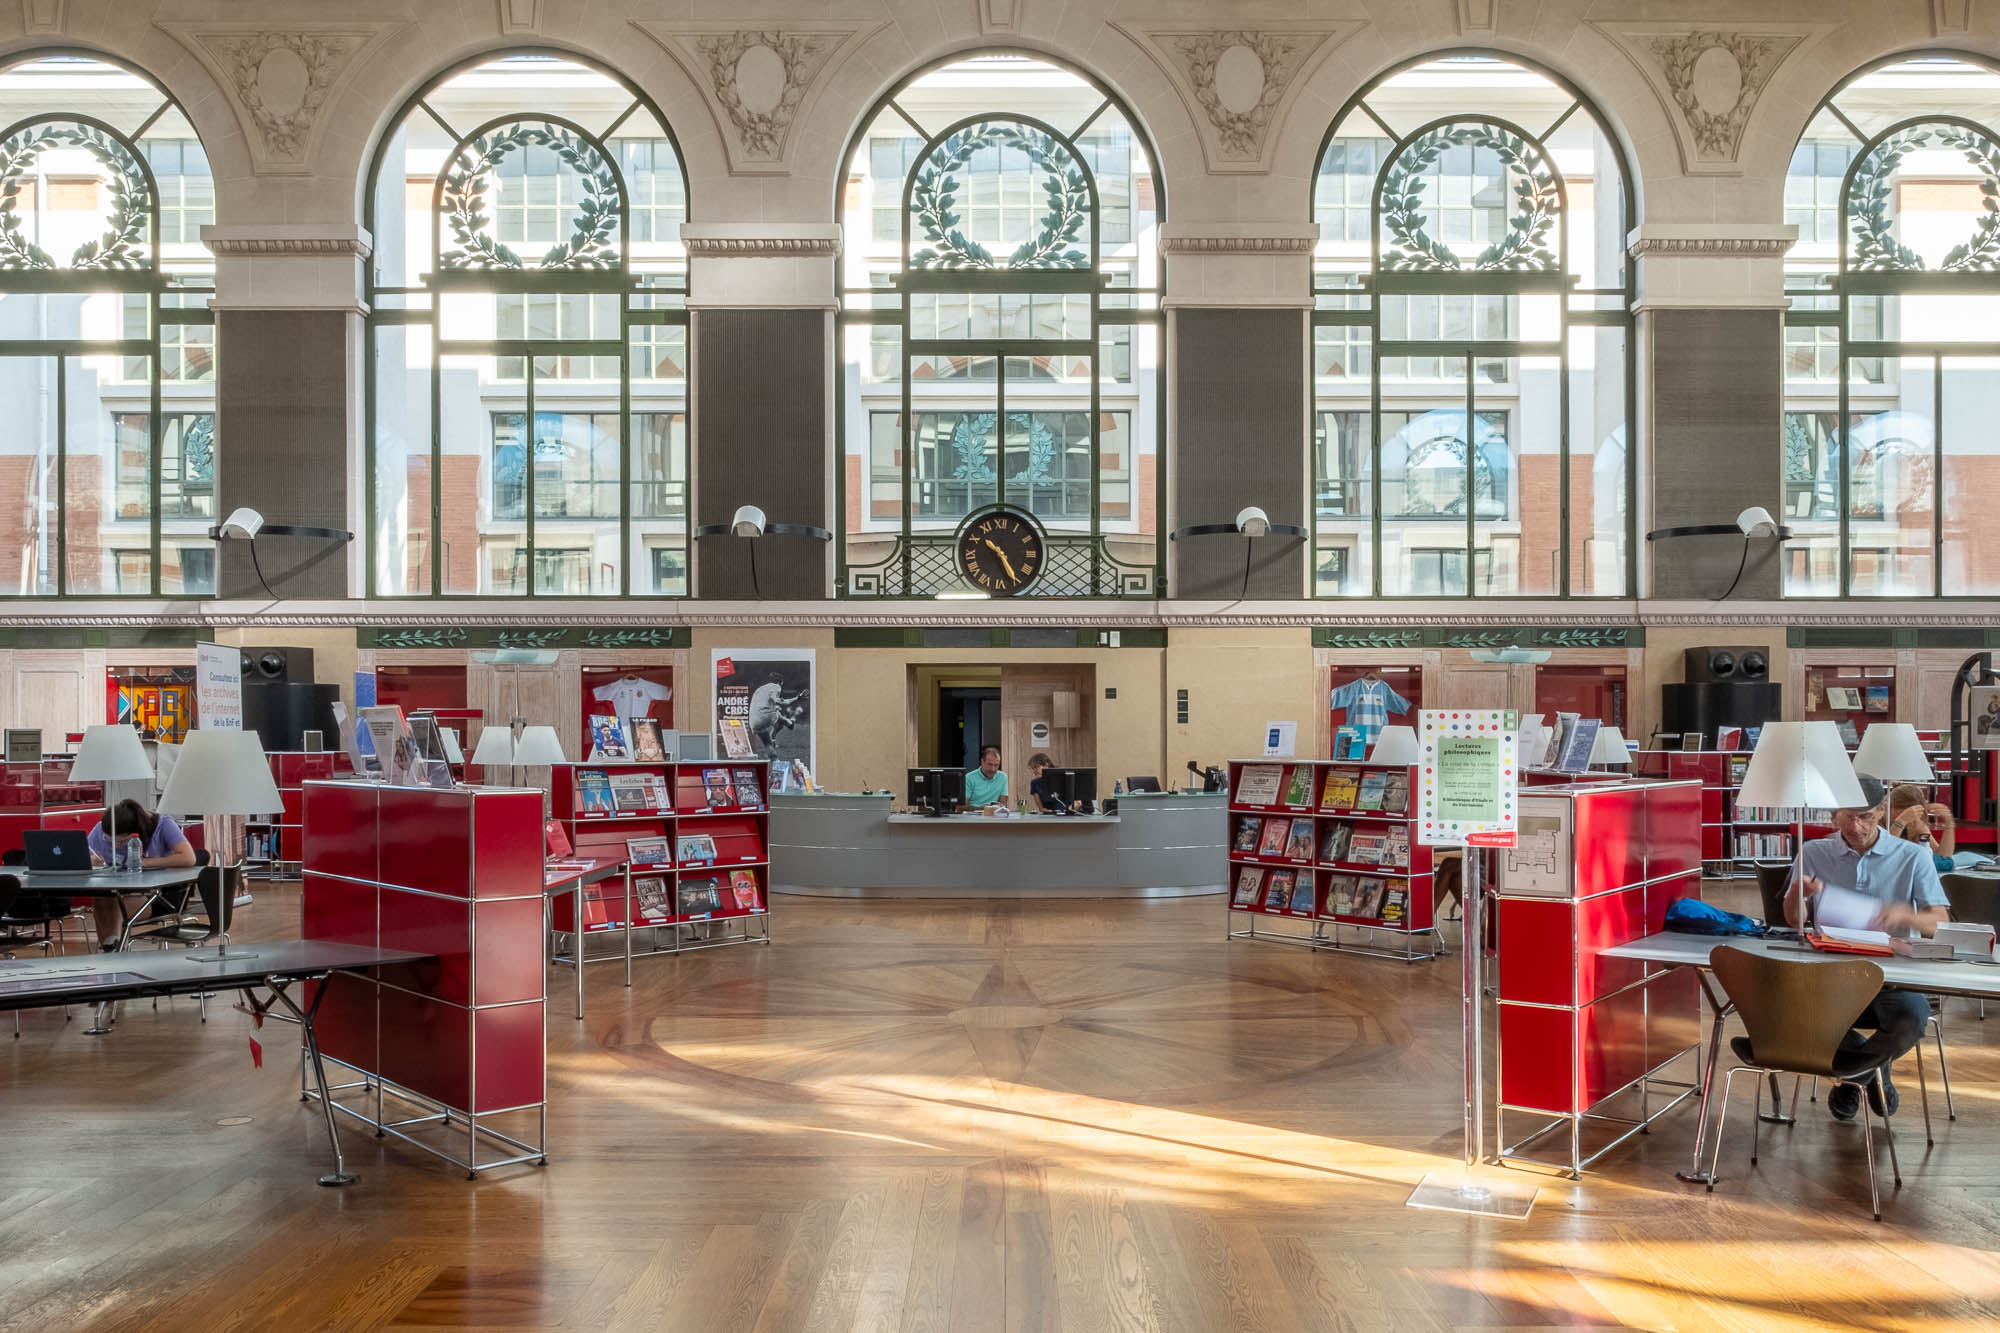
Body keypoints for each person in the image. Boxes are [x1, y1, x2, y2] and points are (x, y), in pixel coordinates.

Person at [1786, 775, 1950, 1120]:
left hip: (1890, 978)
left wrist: (1905, 914)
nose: (1855, 826)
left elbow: (1941, 922)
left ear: (1881, 812)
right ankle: (1875, 1073)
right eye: (1846, 816)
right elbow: (1793, 921)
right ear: (1833, 815)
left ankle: (1851, 1081)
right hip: (1829, 975)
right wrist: (1797, 895)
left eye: (1866, 817)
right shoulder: (1814, 852)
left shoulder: (1912, 856)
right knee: (1799, 1013)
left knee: (1913, 1017)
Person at [85, 799, 197, 950]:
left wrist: (144, 863)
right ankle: (111, 949)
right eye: (109, 841)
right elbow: (85, 854)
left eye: (121, 842)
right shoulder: (103, 829)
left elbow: (188, 857)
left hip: (159, 896)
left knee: (115, 904)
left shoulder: (163, 825)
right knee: (101, 900)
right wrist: (92, 861)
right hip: (118, 890)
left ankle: (112, 951)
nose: (115, 846)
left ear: (135, 834)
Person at [1888, 782, 1955, 859]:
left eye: (1912, 815)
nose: (1909, 821)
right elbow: (1886, 852)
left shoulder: (1917, 825)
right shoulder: (1877, 823)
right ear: (1890, 807)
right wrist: (1900, 822)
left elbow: (1942, 855)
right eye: (1905, 814)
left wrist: (1949, 823)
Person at [963, 744, 1009, 810]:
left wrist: (999, 806)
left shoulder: (1003, 777)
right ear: (982, 762)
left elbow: (1003, 805)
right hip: (972, 817)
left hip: (994, 816)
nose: (993, 769)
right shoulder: (969, 778)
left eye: (996, 765)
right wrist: (980, 808)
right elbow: (960, 807)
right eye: (990, 764)